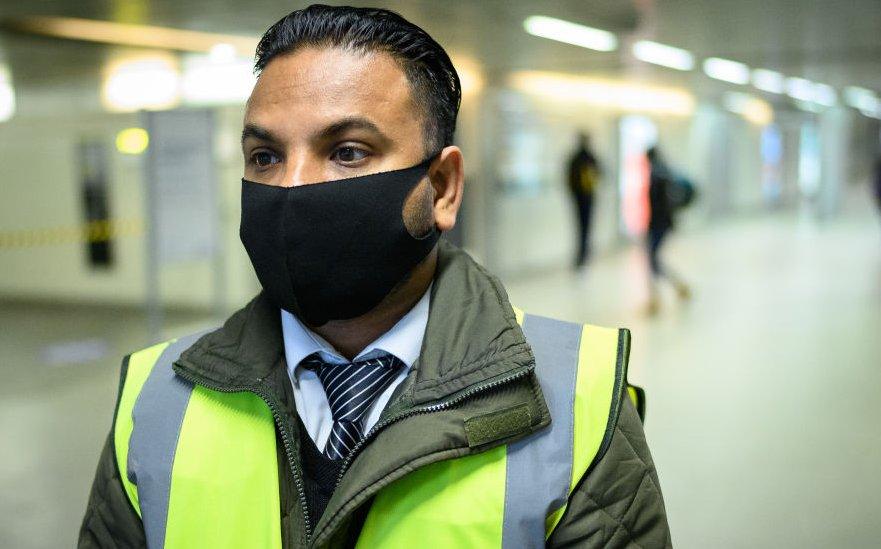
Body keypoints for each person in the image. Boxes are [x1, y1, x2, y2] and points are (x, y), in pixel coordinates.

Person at [78, 5, 671, 548]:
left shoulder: (574, 405)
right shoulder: (157, 401)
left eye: (349, 152)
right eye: (266, 157)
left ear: (441, 188)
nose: (291, 188)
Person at [646, 146, 690, 314]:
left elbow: (658, 205)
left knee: (653, 260)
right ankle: (675, 288)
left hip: (658, 224)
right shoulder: (665, 172)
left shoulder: (657, 175)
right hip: (663, 223)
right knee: (653, 260)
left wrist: (652, 224)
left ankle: (657, 298)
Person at [566, 132, 600, 268]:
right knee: (585, 227)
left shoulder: (576, 157)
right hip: (587, 197)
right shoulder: (590, 157)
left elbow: (569, 178)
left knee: (581, 227)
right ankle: (583, 256)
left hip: (580, 197)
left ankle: (582, 256)